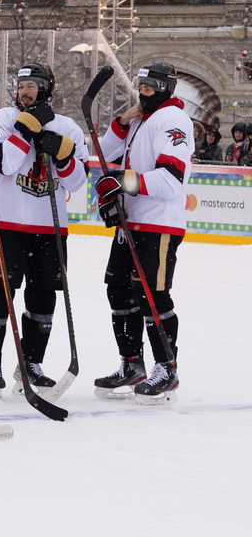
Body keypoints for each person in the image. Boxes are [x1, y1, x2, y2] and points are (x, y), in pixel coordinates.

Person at [0, 63, 89, 397]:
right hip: (7, 224)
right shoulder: (3, 118)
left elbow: (78, 182)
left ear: (46, 88)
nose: (25, 91)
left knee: (42, 300)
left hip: (50, 228)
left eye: (32, 86)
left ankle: (31, 363)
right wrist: (27, 130)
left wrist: (64, 154)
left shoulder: (68, 127)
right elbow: (4, 164)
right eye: (21, 85)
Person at [94, 63, 193, 403]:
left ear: (166, 87)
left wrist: (125, 182)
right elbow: (105, 155)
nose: (143, 90)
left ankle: (167, 368)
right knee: (119, 292)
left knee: (153, 295)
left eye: (150, 85)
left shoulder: (174, 121)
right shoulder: (140, 120)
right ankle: (131, 363)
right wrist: (123, 121)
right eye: (140, 84)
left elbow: (169, 179)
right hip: (131, 223)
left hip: (159, 223)